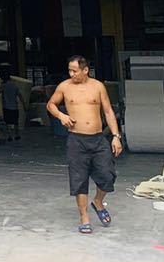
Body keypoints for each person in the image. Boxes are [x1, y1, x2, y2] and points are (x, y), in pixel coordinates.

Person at [46, 55, 123, 234]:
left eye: (75, 71)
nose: (71, 74)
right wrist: (61, 116)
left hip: (98, 138)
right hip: (76, 139)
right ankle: (84, 217)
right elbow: (50, 105)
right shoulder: (64, 87)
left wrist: (115, 136)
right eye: (69, 71)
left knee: (108, 175)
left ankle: (98, 202)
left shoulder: (98, 86)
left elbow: (108, 111)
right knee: (79, 179)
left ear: (85, 70)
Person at [0, 75, 23, 141]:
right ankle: (17, 135)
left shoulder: (3, 86)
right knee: (15, 122)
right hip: (14, 107)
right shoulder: (15, 86)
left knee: (8, 122)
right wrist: (24, 105)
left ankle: (10, 136)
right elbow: (20, 96)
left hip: (6, 107)